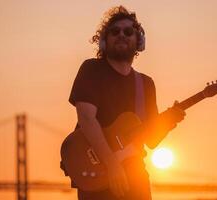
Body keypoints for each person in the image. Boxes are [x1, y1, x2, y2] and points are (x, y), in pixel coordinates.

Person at [68, 5, 186, 200]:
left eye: (128, 31)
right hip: (97, 175)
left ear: (139, 41)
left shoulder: (146, 84)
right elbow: (87, 119)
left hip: (135, 177)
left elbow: (151, 140)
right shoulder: (92, 70)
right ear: (104, 41)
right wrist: (113, 166)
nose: (121, 35)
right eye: (114, 31)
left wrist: (169, 122)